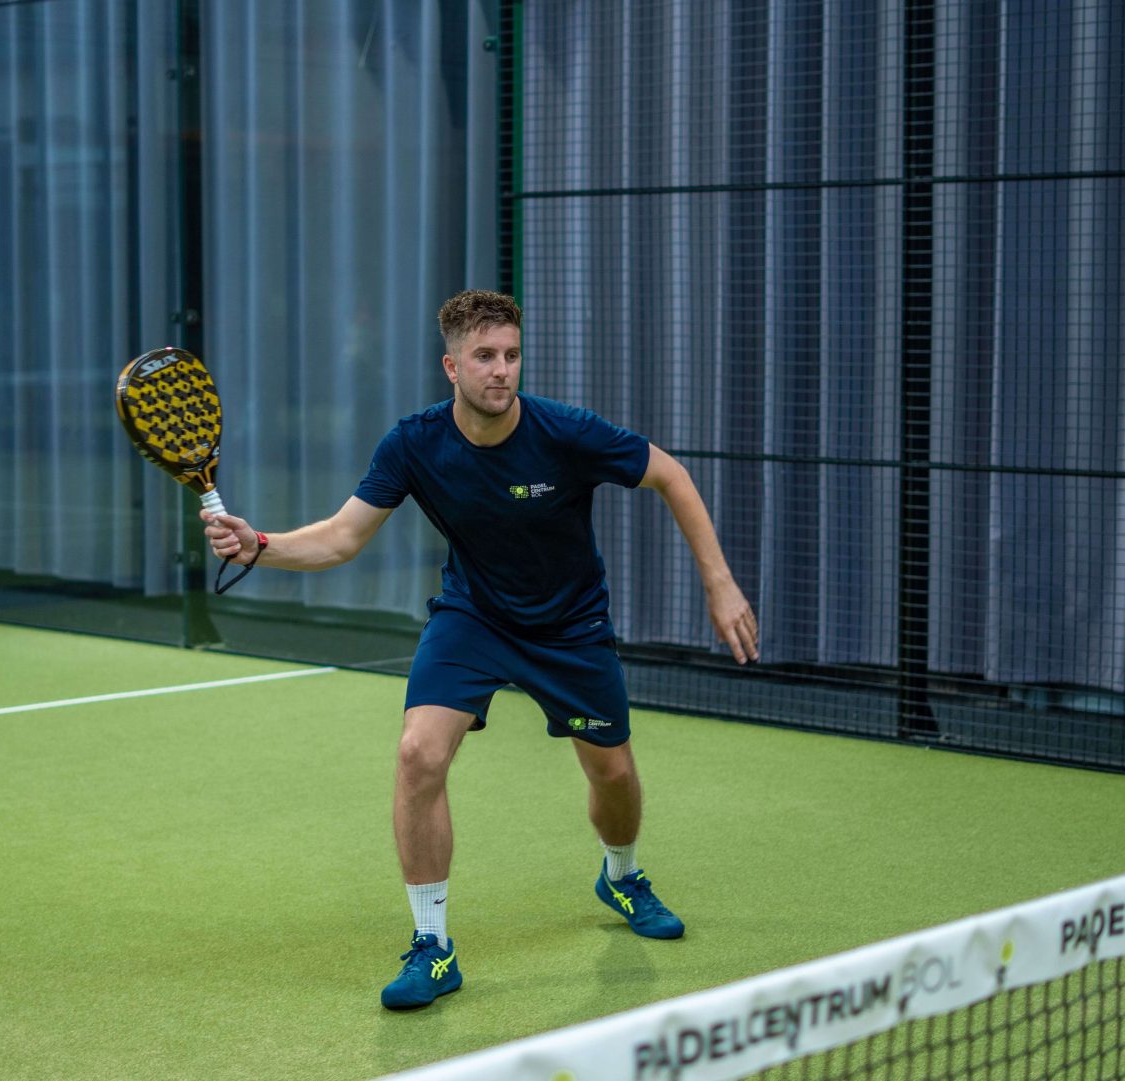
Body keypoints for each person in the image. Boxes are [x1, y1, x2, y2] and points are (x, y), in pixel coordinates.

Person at [201, 290, 757, 1010]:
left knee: (614, 775)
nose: (502, 370)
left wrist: (720, 584)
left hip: (570, 627)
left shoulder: (565, 432)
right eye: (486, 357)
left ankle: (621, 876)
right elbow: (342, 536)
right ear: (452, 366)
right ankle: (433, 947)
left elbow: (670, 475)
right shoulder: (414, 443)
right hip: (474, 618)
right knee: (417, 753)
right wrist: (261, 545)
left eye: (512, 355)